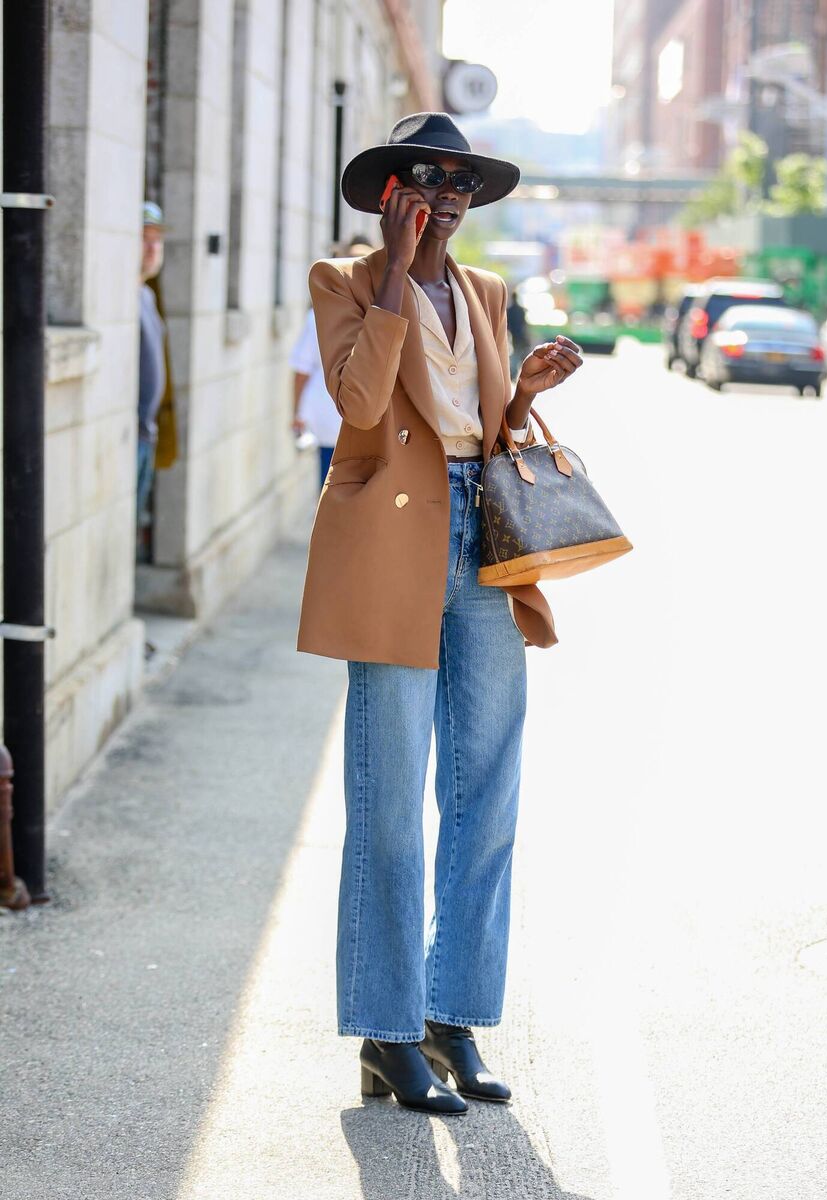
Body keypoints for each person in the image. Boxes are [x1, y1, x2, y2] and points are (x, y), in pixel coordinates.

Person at [296, 113, 583, 1116]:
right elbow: (360, 405)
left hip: (485, 544)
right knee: (387, 804)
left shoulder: (487, 293)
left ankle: (449, 1017)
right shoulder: (344, 281)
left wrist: (526, 392)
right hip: (391, 551)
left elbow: (485, 430)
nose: (448, 191)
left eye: (462, 178)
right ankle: (384, 1031)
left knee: (486, 793)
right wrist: (393, 275)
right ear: (390, 190)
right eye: (427, 175)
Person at [290, 238, 374, 485]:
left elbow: (301, 370)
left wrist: (296, 413)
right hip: (350, 419)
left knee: (331, 487)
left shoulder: (318, 314)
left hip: (333, 417)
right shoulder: (381, 314)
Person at [137, 202, 167, 561]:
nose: (151, 248)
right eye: (143, 239)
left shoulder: (146, 295)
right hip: (130, 436)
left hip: (147, 434)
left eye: (156, 240)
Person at [506, 286, 529, 376]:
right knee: (520, 352)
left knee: (515, 353)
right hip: (521, 334)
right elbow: (524, 323)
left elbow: (507, 324)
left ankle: (514, 373)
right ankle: (520, 372)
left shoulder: (509, 310)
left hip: (513, 335)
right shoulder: (521, 310)